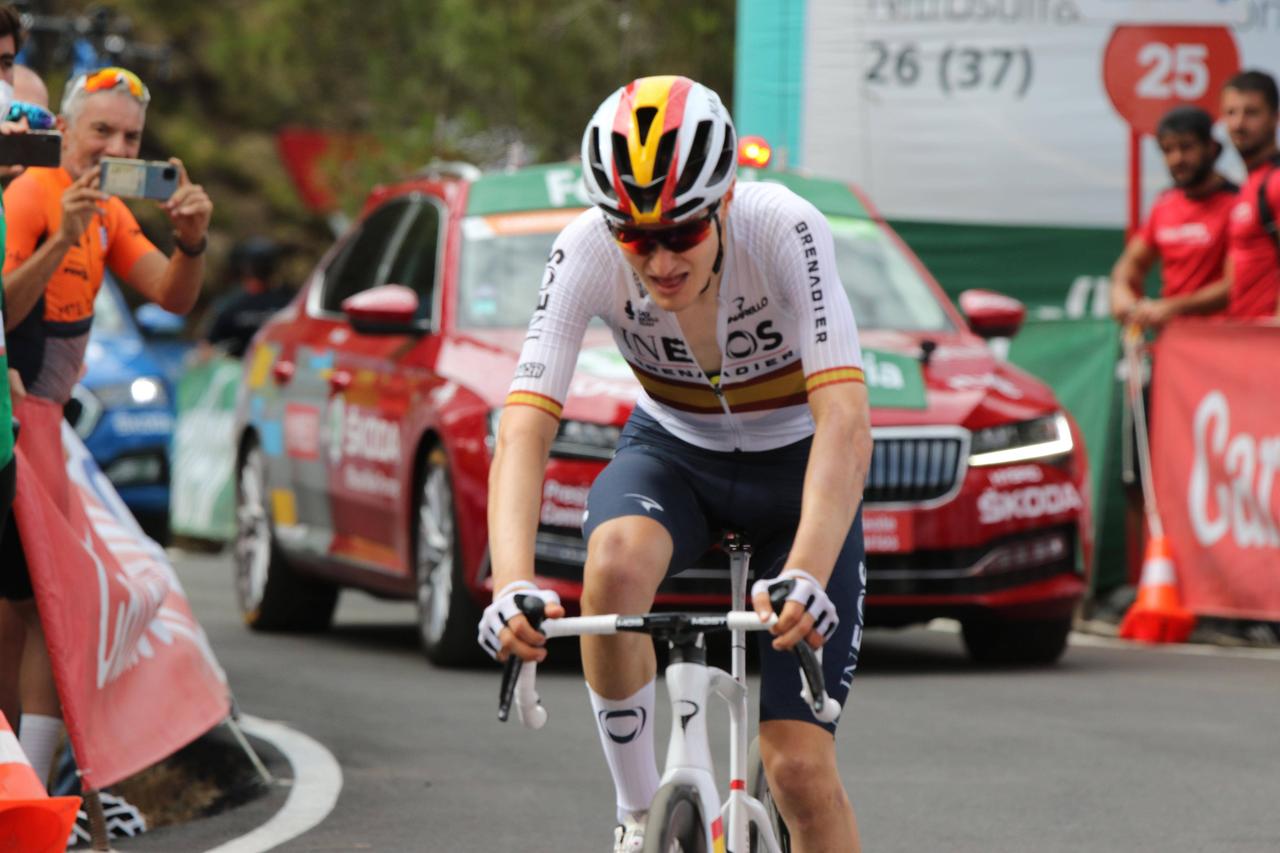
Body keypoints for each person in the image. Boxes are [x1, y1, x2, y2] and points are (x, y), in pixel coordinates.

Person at [481, 76, 871, 852]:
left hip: (798, 470)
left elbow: (847, 419)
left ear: (724, 201)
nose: (658, 259)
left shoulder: (784, 228)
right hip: (675, 455)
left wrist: (808, 568)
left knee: (797, 771)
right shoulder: (584, 249)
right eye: (634, 236)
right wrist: (511, 581)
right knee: (614, 564)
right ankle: (636, 815)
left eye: (681, 232)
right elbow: (523, 427)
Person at [0, 65, 212, 785]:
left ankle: (31, 786)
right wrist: (60, 240)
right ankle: (25, 787)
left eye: (130, 137)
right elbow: (2, 311)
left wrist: (191, 242)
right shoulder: (31, 192)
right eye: (101, 131)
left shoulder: (112, 213)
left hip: (48, 430)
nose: (114, 147)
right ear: (63, 129)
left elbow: (170, 296)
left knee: (55, 611)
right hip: (15, 426)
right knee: (40, 610)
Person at [1110, 106, 1236, 330]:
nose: (1177, 158)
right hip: (1172, 341)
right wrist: (1122, 291)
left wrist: (1172, 307)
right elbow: (1132, 263)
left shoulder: (1239, 205)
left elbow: (1237, 283)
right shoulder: (1164, 204)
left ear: (1211, 147)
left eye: (1186, 147)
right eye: (1168, 150)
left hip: (1224, 339)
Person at [1221, 70, 1280, 319]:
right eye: (1231, 113)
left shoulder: (1276, 181)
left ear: (1275, 117)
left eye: (1251, 112)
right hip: (1245, 343)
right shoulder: (1249, 185)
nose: (1239, 124)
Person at [202, 235, 293, 358]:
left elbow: (207, 347)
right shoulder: (288, 301)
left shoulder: (230, 303)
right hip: (244, 371)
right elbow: (208, 347)